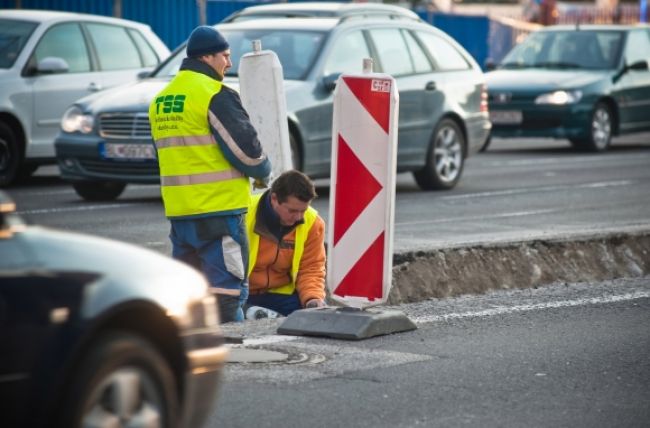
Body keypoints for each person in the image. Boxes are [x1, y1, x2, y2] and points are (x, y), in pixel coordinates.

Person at [148, 25, 271, 323]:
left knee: (191, 296)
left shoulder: (161, 100)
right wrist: (263, 170)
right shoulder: (214, 93)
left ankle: (195, 354)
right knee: (227, 295)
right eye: (225, 56)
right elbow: (248, 153)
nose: (229, 63)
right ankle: (232, 361)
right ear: (207, 57)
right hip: (219, 212)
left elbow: (164, 154)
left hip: (180, 213)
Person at [246, 170, 327, 316]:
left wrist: (313, 299)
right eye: (292, 210)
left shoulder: (313, 222)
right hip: (243, 295)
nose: (298, 217)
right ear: (274, 199)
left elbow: (311, 268)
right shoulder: (243, 214)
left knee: (317, 319)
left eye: (303, 210)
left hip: (282, 296)